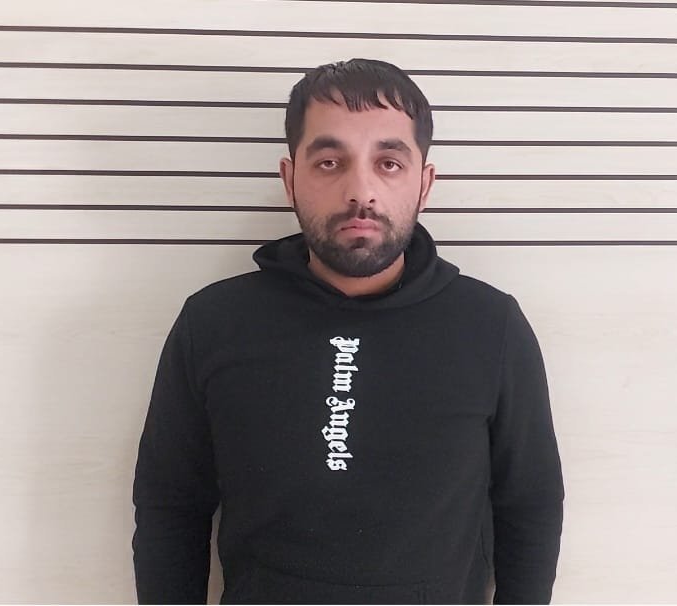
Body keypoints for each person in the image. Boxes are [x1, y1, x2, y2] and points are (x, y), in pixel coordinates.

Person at [132, 58, 564, 605]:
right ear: (290, 179)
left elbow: (531, 505)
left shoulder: (491, 326)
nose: (361, 191)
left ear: (424, 183)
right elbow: (170, 506)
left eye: (389, 163)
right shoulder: (213, 322)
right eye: (330, 162)